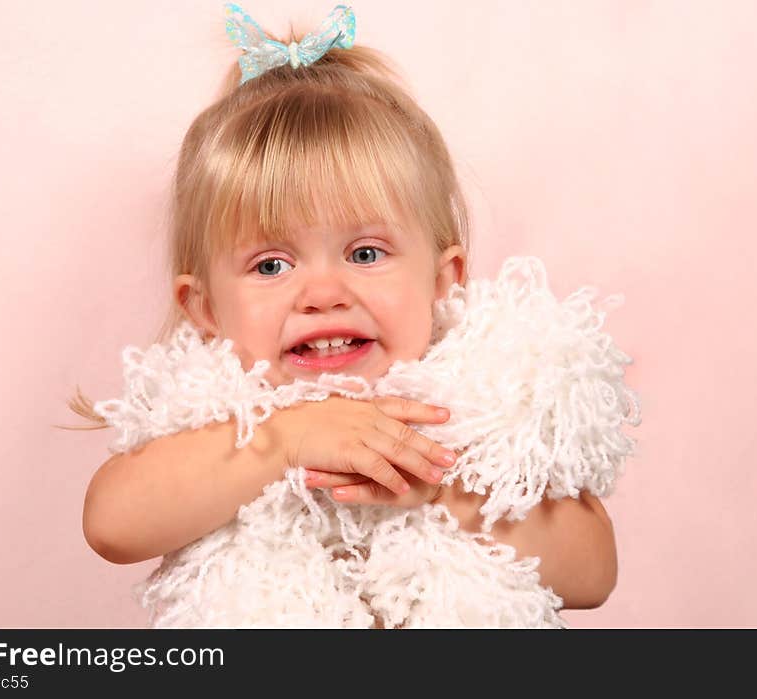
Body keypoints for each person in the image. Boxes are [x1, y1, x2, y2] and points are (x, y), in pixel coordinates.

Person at [67, 3, 639, 628]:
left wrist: (442, 488)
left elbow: (592, 576)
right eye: (270, 266)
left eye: (365, 253)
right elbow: (112, 526)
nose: (322, 294)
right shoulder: (213, 419)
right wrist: (281, 441)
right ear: (204, 309)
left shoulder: (475, 401)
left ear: (443, 279)